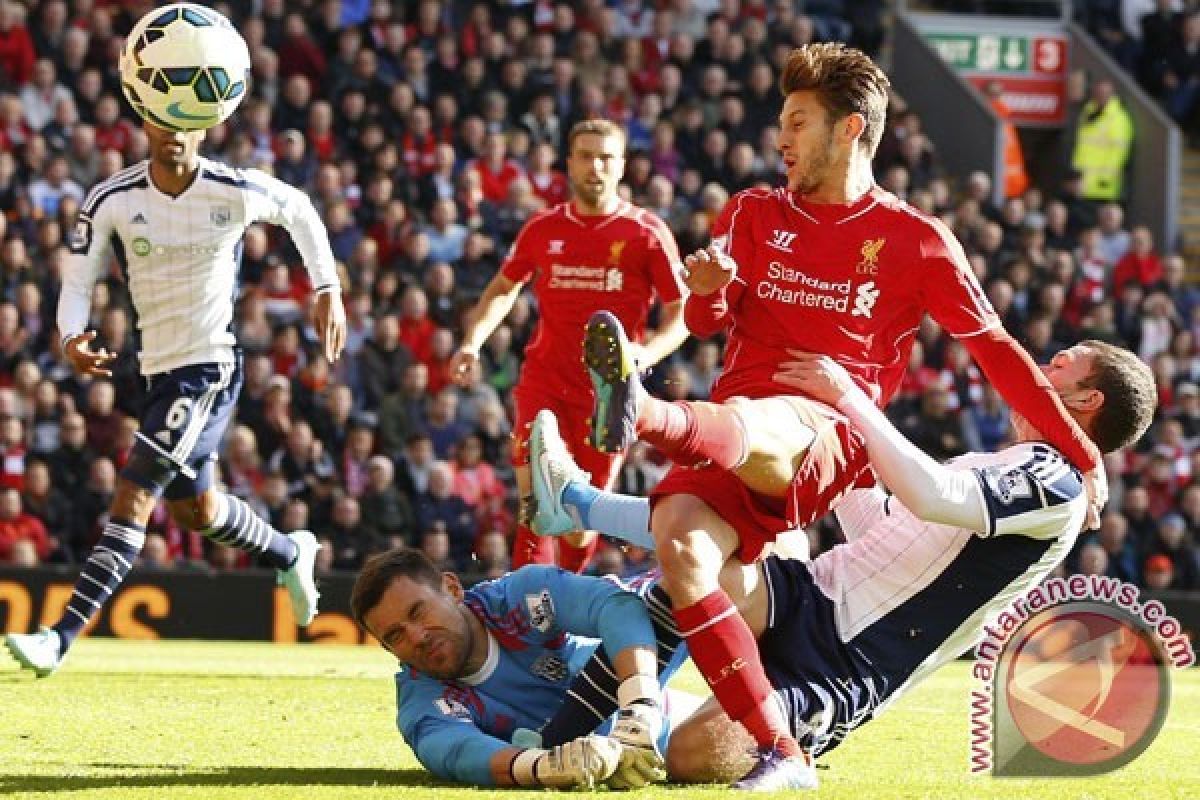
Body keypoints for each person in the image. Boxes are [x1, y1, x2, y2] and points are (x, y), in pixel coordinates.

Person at [577, 42, 1106, 785]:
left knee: (786, 412)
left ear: (851, 129)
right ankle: (779, 752)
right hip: (733, 433)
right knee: (680, 552)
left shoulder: (916, 240)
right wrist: (703, 289)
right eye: (782, 123)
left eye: (797, 122)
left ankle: (639, 415)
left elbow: (996, 350)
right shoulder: (754, 213)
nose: (781, 139)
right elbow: (706, 319)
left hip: (826, 434)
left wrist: (1079, 450)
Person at [529, 339, 1157, 788]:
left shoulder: (1059, 482)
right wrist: (837, 450)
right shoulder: (1016, 465)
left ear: (1087, 399)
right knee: (688, 562)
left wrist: (852, 400)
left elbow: (934, 495)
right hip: (812, 591)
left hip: (848, 663)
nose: (1034, 373)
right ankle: (560, 725)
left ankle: (687, 714)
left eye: (1055, 367)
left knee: (694, 755)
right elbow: (883, 526)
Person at [5, 117, 347, 677]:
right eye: (165, 122)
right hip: (156, 373)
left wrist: (327, 286)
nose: (175, 134)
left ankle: (59, 636)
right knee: (198, 510)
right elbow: (78, 279)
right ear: (146, 123)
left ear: (205, 129)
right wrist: (70, 334)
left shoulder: (232, 189)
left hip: (209, 368)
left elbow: (301, 210)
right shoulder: (113, 197)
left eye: (187, 125)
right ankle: (291, 551)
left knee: (134, 494)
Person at [447, 118, 687, 573]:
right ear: (569, 164)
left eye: (605, 157)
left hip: (609, 397)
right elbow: (503, 287)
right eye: (585, 156)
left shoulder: (647, 234)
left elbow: (681, 316)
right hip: (545, 382)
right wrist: (472, 342)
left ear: (621, 167)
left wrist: (645, 355)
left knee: (580, 523)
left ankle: (564, 599)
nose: (595, 166)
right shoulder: (542, 229)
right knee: (536, 500)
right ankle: (526, 616)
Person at [348, 547, 693, 789]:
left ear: (452, 589)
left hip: (655, 706)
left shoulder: (518, 599)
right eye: (396, 635)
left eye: (418, 611)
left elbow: (614, 607)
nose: (418, 637)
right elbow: (453, 750)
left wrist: (641, 706)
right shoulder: (421, 700)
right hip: (631, 753)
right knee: (701, 755)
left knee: (700, 577)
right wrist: (545, 767)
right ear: (387, 648)